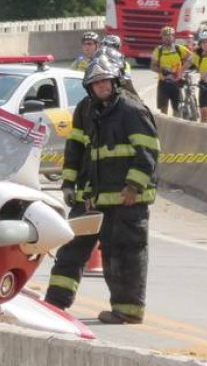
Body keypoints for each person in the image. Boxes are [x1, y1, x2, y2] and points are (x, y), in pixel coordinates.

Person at [44, 54, 158, 324]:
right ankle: (54, 303)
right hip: (89, 199)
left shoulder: (132, 110)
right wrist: (69, 184)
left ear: (115, 81)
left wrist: (133, 186)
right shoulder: (85, 110)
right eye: (96, 83)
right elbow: (75, 150)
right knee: (70, 250)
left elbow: (149, 152)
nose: (102, 86)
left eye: (105, 81)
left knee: (124, 254)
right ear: (89, 87)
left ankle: (128, 311)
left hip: (126, 201)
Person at [150, 26, 190, 115]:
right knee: (163, 111)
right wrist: (161, 70)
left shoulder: (179, 49)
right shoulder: (158, 50)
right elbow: (152, 66)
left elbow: (192, 58)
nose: (168, 38)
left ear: (173, 37)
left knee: (177, 109)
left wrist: (183, 68)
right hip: (164, 83)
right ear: (162, 37)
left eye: (170, 36)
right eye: (165, 36)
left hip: (176, 82)